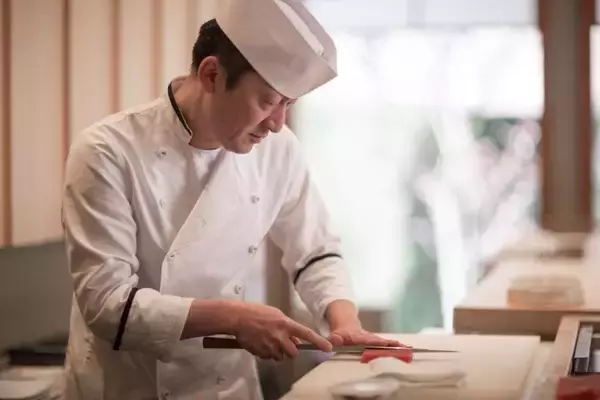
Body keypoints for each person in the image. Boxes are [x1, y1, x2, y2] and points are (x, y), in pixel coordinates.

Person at [60, 0, 402, 399]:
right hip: (130, 387)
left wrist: (344, 322)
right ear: (212, 75)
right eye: (268, 101)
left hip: (227, 388)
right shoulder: (107, 152)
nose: (277, 124)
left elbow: (315, 251)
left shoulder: (279, 150)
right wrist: (235, 318)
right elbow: (107, 305)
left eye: (288, 105)